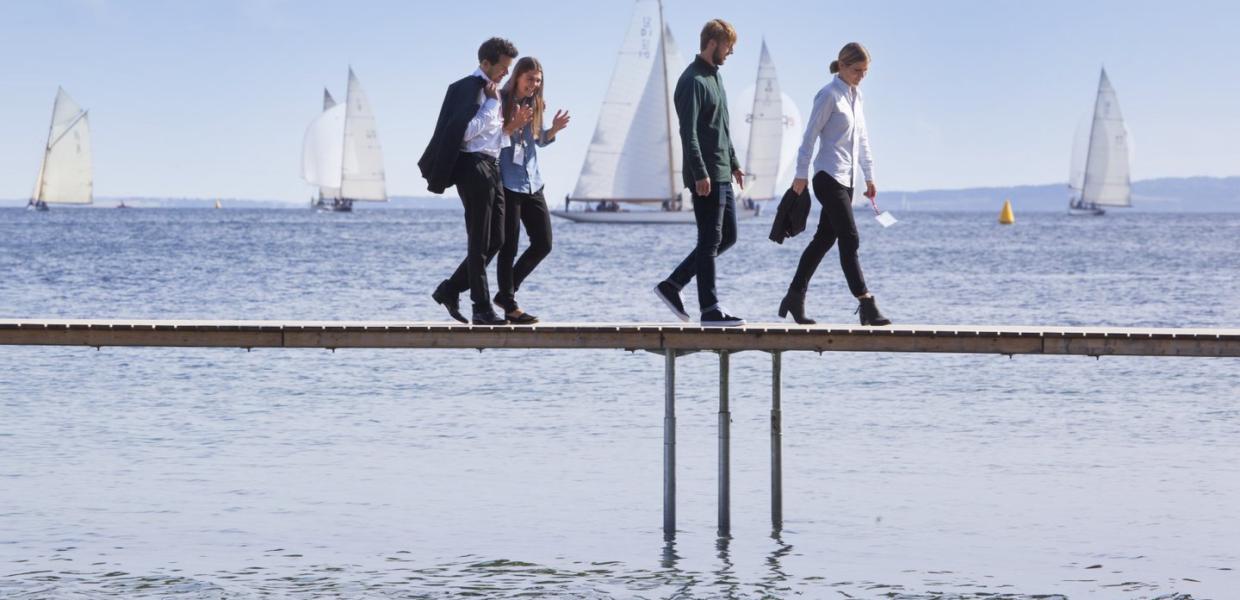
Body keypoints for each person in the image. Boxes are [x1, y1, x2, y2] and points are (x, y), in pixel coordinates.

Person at [779, 42, 891, 326]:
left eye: (865, 72)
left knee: (824, 240)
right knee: (850, 238)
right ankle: (866, 302)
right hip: (827, 176)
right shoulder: (828, 95)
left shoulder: (857, 97)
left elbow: (862, 140)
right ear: (842, 66)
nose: (861, 76)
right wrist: (801, 174)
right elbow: (809, 136)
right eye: (857, 71)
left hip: (848, 179)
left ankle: (794, 297)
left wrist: (869, 176)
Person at [652, 19, 746, 327]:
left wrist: (733, 162)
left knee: (727, 236)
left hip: (721, 170)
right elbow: (688, 133)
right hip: (705, 175)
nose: (731, 52)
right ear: (712, 43)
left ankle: (672, 285)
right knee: (710, 239)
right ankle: (710, 309)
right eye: (728, 46)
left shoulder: (715, 78)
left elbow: (722, 127)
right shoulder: (692, 81)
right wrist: (700, 172)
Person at [420, 37, 519, 326]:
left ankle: (450, 289)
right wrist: (491, 105)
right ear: (485, 63)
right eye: (503, 68)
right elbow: (463, 134)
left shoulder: (491, 92)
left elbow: (490, 137)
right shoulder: (472, 89)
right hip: (473, 167)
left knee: (497, 239)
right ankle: (481, 308)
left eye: (508, 69)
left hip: (491, 165)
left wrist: (510, 128)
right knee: (478, 242)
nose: (506, 74)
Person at [494, 57, 571, 325]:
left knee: (544, 242)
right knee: (509, 245)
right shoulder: (500, 100)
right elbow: (495, 138)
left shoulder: (536, 103)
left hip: (532, 181)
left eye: (538, 81)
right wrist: (513, 124)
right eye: (530, 79)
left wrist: (554, 130)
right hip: (507, 181)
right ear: (517, 77)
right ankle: (509, 303)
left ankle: (505, 292)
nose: (534, 85)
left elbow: (538, 140)